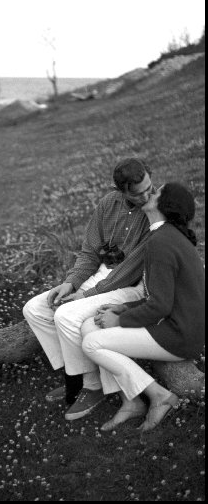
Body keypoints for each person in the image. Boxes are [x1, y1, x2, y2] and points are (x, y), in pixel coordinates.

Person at [23, 157, 156, 421]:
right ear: (122, 191)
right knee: (35, 309)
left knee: (66, 315)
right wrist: (70, 282)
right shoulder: (109, 203)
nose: (147, 196)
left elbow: (129, 270)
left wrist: (86, 295)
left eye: (149, 188)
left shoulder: (154, 211)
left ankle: (92, 386)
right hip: (101, 275)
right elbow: (89, 252)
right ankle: (76, 375)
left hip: (131, 285)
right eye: (139, 193)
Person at [82, 182, 205, 432]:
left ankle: (159, 395)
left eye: (157, 192)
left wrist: (119, 321)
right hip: (175, 325)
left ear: (165, 205)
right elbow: (159, 297)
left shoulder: (161, 241)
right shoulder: (164, 236)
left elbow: (159, 305)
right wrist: (122, 308)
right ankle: (131, 401)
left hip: (179, 335)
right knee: (88, 326)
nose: (150, 193)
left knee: (91, 344)